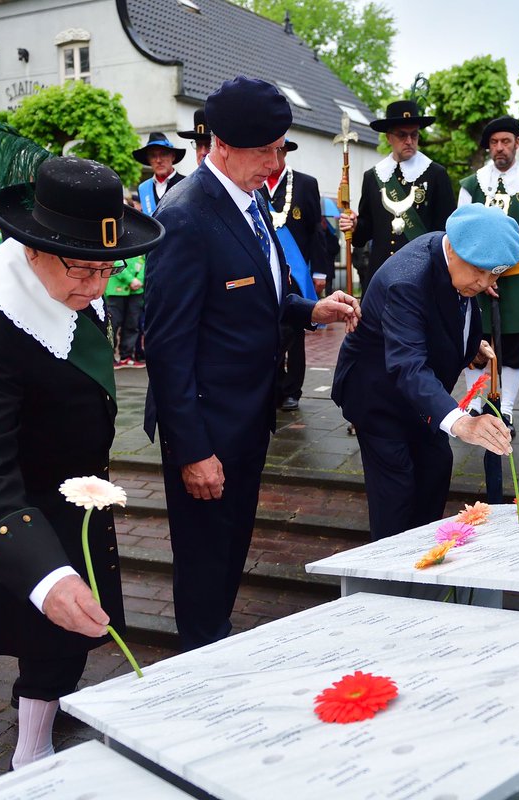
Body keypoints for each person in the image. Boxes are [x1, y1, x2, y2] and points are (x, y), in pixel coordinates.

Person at [0, 156, 165, 770]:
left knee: (68, 636)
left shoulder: (72, 281)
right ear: (31, 250)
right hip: (16, 494)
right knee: (46, 620)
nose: (97, 286)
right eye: (83, 269)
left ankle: (43, 722)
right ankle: (30, 755)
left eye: (108, 269)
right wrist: (42, 573)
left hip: (73, 487)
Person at [143, 77, 361, 651]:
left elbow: (258, 295)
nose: (275, 162)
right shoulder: (187, 215)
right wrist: (192, 451)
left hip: (247, 416)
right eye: (264, 150)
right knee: (205, 553)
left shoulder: (251, 199)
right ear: (220, 145)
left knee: (231, 543)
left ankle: (214, 635)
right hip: (207, 425)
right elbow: (165, 346)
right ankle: (199, 657)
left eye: (281, 147)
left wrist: (311, 307)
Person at [333, 204, 516, 540]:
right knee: (397, 488)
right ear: (456, 249)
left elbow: (446, 316)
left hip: (420, 398)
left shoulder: (456, 265)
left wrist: (467, 347)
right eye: (481, 272)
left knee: (435, 468)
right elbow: (407, 363)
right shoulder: (407, 278)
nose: (486, 283)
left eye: (495, 275)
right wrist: (461, 422)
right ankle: (387, 574)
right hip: (378, 395)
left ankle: (420, 557)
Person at [458, 116, 519, 434]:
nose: (500, 148)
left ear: (517, 143)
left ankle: (506, 409)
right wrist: (481, 274)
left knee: (513, 346)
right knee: (474, 343)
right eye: (494, 142)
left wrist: (494, 270)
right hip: (473, 279)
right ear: (488, 146)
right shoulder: (472, 184)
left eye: (506, 141)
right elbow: (462, 228)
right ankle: (474, 403)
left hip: (514, 276)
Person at [338, 99, 455, 291]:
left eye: (414, 135)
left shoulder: (436, 174)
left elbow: (447, 231)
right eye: (402, 135)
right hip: (381, 274)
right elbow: (365, 232)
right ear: (388, 137)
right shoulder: (373, 176)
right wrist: (355, 225)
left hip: (422, 276)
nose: (409, 141)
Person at [260, 138, 328, 412]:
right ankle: (273, 386)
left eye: (280, 150)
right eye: (270, 149)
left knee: (295, 332)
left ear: (286, 152)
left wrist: (320, 270)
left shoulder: (305, 183)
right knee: (269, 330)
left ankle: (292, 390)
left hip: (297, 276)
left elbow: (316, 230)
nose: (275, 156)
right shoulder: (253, 183)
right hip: (266, 273)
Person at [104, 253, 145, 368]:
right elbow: (115, 262)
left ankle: (127, 356)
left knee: (132, 323)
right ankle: (109, 356)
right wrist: (130, 280)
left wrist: (139, 280)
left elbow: (145, 263)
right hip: (116, 290)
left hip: (136, 291)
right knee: (113, 324)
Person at [134, 131, 185, 217]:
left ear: (173, 156)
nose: (158, 160)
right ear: (148, 160)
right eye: (153, 156)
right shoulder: (143, 188)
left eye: (163, 154)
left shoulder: (186, 183)